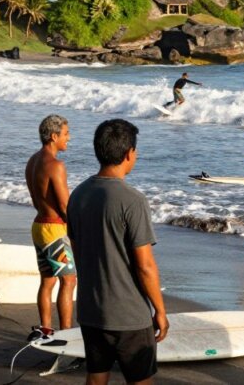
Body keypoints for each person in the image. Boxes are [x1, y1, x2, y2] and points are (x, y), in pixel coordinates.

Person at [67, 119, 167, 384]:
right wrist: (159, 309)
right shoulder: (132, 200)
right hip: (128, 314)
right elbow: (145, 265)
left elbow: (79, 254)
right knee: (140, 378)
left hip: (91, 309)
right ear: (128, 153)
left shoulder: (78, 194)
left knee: (97, 375)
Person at [25, 114, 77, 340]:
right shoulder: (56, 165)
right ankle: (65, 335)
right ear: (54, 136)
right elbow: (65, 205)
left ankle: (45, 329)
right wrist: (78, 230)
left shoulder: (33, 160)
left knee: (47, 280)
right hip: (55, 229)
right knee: (69, 280)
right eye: (66, 134)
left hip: (39, 226)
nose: (69, 138)